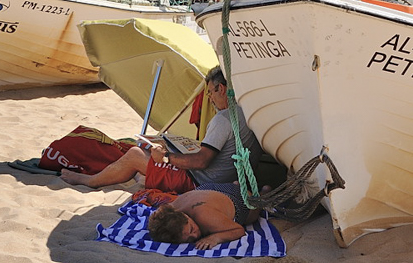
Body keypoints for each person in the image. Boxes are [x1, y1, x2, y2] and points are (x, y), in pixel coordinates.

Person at [58, 66, 262, 190]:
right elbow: (218, 151)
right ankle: (124, 173)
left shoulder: (223, 119)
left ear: (222, 89)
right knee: (160, 145)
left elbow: (201, 161)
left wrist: (165, 158)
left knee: (136, 154)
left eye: (210, 93)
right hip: (225, 178)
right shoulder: (247, 112)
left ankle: (90, 181)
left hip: (198, 182)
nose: (209, 99)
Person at [147, 183, 260, 249]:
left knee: (253, 214)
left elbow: (239, 230)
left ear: (186, 216)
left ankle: (260, 194)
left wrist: (215, 238)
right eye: (189, 239)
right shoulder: (171, 208)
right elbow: (158, 222)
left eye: (192, 228)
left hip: (236, 197)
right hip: (207, 190)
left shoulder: (205, 216)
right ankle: (236, 183)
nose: (195, 235)